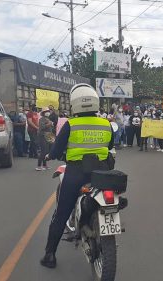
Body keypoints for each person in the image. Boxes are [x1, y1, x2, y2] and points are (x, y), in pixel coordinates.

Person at [40, 84, 114, 269]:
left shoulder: (70, 125)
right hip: (103, 173)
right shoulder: (106, 124)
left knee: (61, 213)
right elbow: (111, 145)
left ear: (75, 104)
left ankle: (50, 256)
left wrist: (51, 155)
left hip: (76, 173)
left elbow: (57, 150)